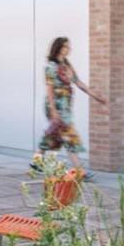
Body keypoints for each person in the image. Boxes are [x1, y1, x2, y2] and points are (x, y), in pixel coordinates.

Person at [38, 37, 106, 171]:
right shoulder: (51, 66)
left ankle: (37, 161)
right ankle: (80, 170)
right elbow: (49, 89)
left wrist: (95, 95)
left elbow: (78, 82)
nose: (69, 49)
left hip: (65, 105)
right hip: (56, 105)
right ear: (59, 48)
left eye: (69, 47)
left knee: (54, 135)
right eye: (66, 47)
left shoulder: (67, 66)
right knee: (68, 135)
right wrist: (53, 110)